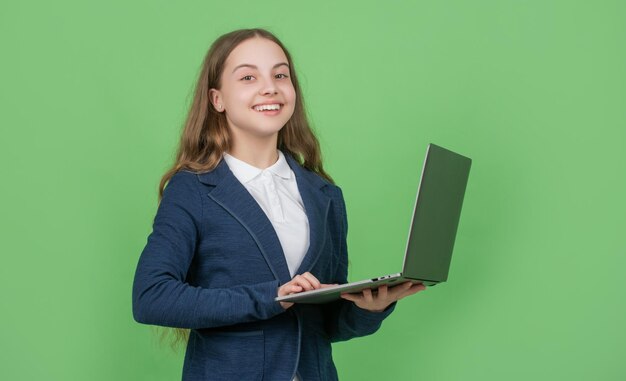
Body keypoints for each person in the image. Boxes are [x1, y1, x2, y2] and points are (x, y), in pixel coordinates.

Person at [132, 28, 426, 381]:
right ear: (217, 99)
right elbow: (151, 297)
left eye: (280, 74)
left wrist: (370, 308)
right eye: (248, 76)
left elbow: (323, 325)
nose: (269, 86)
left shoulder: (325, 195)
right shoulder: (192, 190)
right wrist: (271, 296)